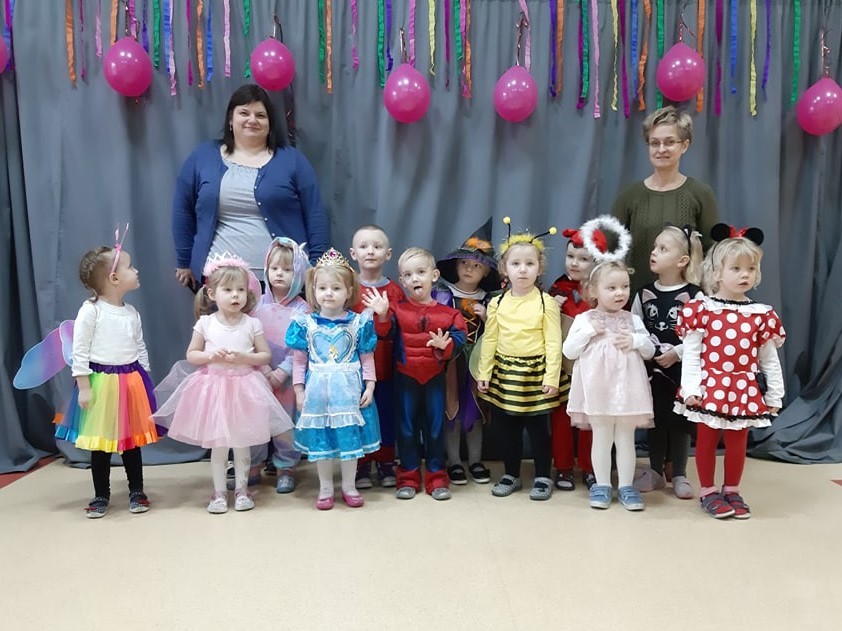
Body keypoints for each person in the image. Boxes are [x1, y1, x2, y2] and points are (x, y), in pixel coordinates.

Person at [154, 254, 293, 514]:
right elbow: (192, 355)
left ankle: (242, 490)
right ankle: (218, 493)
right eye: (228, 290)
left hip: (245, 389)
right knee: (218, 446)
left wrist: (244, 358)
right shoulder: (206, 323)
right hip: (214, 390)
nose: (235, 295)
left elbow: (264, 356)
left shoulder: (252, 323)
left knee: (242, 444)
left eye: (240, 289)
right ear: (212, 293)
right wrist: (210, 356)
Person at [172, 83, 330, 290]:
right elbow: (182, 210)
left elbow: (315, 214)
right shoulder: (203, 156)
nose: (252, 120)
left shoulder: (293, 161)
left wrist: (317, 266)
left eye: (260, 115)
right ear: (231, 119)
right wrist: (184, 260)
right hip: (219, 280)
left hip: (282, 281)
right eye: (244, 113)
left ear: (270, 123)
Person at [675, 224, 785, 520]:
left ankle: (732, 490)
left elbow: (769, 360)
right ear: (717, 272)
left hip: (743, 389)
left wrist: (775, 394)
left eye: (750, 268)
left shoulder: (761, 314)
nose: (744, 275)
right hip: (710, 386)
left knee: (738, 442)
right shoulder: (702, 309)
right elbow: (691, 355)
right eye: (736, 268)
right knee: (707, 439)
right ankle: (708, 491)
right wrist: (691, 389)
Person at [56, 240, 160, 518]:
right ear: (114, 278)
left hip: (131, 381)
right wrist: (84, 387)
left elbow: (139, 346)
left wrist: (145, 379)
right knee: (100, 444)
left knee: (131, 442)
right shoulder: (91, 311)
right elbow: (80, 351)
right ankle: (101, 494)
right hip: (101, 383)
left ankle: (137, 490)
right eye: (130, 267)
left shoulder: (131, 313)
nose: (136, 270)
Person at [564, 217, 655, 511]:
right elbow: (569, 351)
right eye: (612, 287)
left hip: (627, 392)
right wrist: (589, 333)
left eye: (624, 287)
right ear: (593, 291)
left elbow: (650, 350)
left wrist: (637, 341)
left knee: (626, 439)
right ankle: (602, 484)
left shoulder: (632, 320)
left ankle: (626, 486)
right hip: (598, 391)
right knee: (601, 438)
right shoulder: (585, 319)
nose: (620, 293)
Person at [366, 247, 468, 501]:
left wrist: (447, 346)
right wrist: (382, 315)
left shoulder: (450, 314)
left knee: (435, 430)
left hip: (435, 379)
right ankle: (408, 477)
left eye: (421, 272)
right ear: (402, 281)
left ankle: (437, 478)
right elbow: (384, 335)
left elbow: (460, 338)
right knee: (407, 430)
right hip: (405, 379)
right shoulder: (396, 310)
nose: (415, 278)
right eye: (408, 275)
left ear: (434, 275)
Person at [285, 248, 381, 510]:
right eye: (322, 288)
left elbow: (367, 358)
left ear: (348, 291)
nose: (328, 293)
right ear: (313, 290)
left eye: (336, 288)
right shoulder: (305, 324)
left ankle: (349, 486)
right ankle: (326, 487)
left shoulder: (359, 323)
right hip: (318, 395)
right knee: (322, 442)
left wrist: (370, 385)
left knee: (350, 441)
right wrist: (299, 390)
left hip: (349, 394)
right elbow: (299, 362)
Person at [475, 218, 561, 502]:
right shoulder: (497, 303)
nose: (522, 269)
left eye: (529, 264)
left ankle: (542, 475)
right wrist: (484, 373)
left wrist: (551, 377)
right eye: (516, 264)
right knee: (507, 429)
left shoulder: (546, 302)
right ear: (504, 268)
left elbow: (553, 342)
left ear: (540, 268)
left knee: (538, 430)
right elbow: (489, 339)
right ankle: (511, 473)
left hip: (536, 375)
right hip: (505, 374)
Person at [612, 105, 719, 293]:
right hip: (637, 299)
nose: (661, 149)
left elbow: (713, 253)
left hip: (688, 301)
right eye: (654, 143)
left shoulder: (700, 194)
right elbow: (609, 251)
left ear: (684, 145)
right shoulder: (629, 196)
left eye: (669, 142)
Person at [631, 225, 704, 500]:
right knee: (657, 419)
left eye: (663, 249)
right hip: (653, 372)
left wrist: (678, 352)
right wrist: (648, 351)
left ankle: (680, 473)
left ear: (682, 260)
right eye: (654, 247)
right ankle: (655, 471)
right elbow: (635, 328)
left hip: (683, 371)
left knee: (681, 422)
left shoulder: (696, 295)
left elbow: (703, 336)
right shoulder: (642, 293)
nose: (654, 252)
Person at [434, 219, 499, 486]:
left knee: (476, 412)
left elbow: (500, 333)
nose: (470, 269)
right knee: (451, 411)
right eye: (464, 263)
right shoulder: (442, 294)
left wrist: (488, 318)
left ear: (486, 272)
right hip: (451, 362)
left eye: (477, 266)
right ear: (456, 266)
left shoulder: (491, 299)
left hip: (478, 363)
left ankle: (475, 461)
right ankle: (453, 462)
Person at [247, 237, 312, 494]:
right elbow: (249, 339)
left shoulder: (303, 309)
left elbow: (301, 348)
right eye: (274, 268)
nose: (279, 274)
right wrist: (265, 370)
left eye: (287, 269)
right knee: (255, 421)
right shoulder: (256, 305)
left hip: (288, 378)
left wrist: (282, 372)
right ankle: (253, 465)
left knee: (286, 424)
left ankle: (286, 468)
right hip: (258, 374)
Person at [547, 225, 606, 492]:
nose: (574, 263)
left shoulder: (603, 290)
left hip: (594, 367)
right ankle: (563, 466)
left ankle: (591, 467)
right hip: (563, 366)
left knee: (590, 420)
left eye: (583, 259)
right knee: (561, 418)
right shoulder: (557, 289)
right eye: (570, 256)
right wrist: (550, 308)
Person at [347, 225, 405, 490]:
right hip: (353, 370)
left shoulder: (395, 291)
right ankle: (361, 463)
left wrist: (383, 316)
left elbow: (399, 329)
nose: (370, 251)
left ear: (388, 254)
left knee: (386, 415)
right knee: (358, 414)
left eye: (377, 246)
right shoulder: (348, 289)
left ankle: (385, 461)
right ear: (353, 254)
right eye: (364, 246)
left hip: (387, 367)